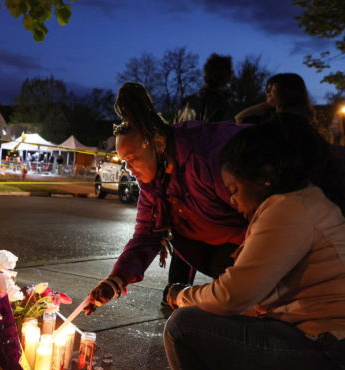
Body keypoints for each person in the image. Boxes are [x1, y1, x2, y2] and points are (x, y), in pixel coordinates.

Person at [162, 114, 345, 370]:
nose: (231, 201)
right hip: (333, 368)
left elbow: (234, 296)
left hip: (335, 361)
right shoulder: (308, 203)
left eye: (233, 189)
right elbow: (258, 301)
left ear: (264, 177)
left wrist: (182, 295)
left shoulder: (289, 207)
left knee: (185, 327)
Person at [84, 83, 248, 311]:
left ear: (159, 145)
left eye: (132, 158)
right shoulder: (154, 186)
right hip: (214, 250)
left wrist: (256, 245)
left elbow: (259, 205)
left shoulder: (203, 159)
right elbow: (146, 234)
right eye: (124, 161)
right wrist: (117, 280)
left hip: (252, 245)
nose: (129, 169)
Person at [172, 53, 235, 294]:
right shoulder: (227, 105)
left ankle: (176, 289)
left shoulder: (189, 102)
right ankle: (225, 293)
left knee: (186, 236)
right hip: (210, 178)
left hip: (185, 177)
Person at [234, 73, 314, 125]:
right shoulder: (269, 115)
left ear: (287, 91)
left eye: (270, 88)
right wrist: (265, 105)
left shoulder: (290, 121)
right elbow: (239, 118)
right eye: (267, 89)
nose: (267, 92)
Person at [177, 53, 235, 123]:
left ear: (205, 77)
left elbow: (175, 130)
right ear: (228, 78)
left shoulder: (187, 104)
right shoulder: (227, 107)